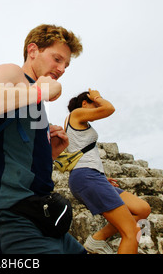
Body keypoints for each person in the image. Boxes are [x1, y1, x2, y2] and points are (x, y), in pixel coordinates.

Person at [0, 24, 85, 254]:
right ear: (32, 50)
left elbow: (17, 157)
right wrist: (39, 91)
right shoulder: (14, 74)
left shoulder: (32, 97)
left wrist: (50, 153)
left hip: (40, 215)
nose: (62, 68)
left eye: (66, 64)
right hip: (7, 216)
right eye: (57, 59)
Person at [65, 89, 151, 254]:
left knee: (142, 209)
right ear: (85, 103)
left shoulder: (80, 123)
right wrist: (97, 97)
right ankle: (98, 240)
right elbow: (109, 109)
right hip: (86, 176)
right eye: (94, 104)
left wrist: (101, 177)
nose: (97, 105)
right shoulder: (76, 114)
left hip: (93, 176)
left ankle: (97, 239)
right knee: (131, 232)